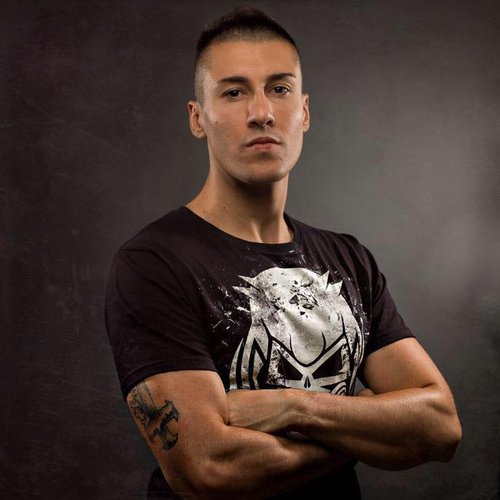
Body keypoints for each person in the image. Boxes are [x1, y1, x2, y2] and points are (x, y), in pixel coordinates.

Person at [105, 6, 462, 499]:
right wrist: (374, 430)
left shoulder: (348, 260)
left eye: (279, 88)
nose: (261, 112)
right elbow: (208, 468)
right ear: (197, 118)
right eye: (234, 92)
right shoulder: (154, 264)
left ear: (305, 111)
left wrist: (296, 408)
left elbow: (440, 425)